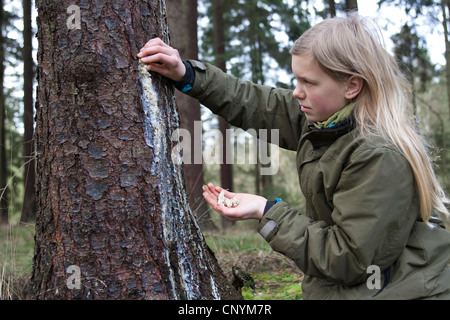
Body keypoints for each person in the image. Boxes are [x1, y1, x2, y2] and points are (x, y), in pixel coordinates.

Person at [138, 14, 450, 299]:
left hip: (402, 289)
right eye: (296, 80)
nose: (297, 92)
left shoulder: (377, 155)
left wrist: (266, 211)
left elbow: (350, 259)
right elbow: (252, 102)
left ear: (352, 85)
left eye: (308, 83)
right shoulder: (325, 117)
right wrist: (186, 74)